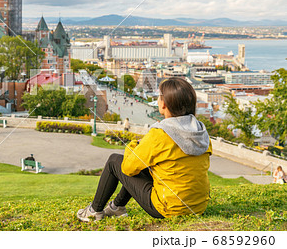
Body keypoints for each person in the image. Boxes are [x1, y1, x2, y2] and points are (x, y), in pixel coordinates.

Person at [77, 77, 212, 222]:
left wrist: (135, 145)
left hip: (168, 208)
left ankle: (94, 211)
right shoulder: (201, 133)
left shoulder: (160, 134)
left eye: (159, 97)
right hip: (198, 207)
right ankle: (117, 207)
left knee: (114, 161)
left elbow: (128, 168)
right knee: (147, 166)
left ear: (164, 104)